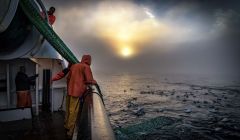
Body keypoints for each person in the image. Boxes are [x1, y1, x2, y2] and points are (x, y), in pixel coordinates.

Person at [52, 55, 97, 137]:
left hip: (69, 91)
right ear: (89, 60)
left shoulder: (74, 66)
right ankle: (70, 130)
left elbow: (68, 77)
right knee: (74, 111)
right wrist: (95, 82)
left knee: (68, 109)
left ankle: (66, 125)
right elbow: (89, 80)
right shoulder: (86, 67)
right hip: (77, 93)